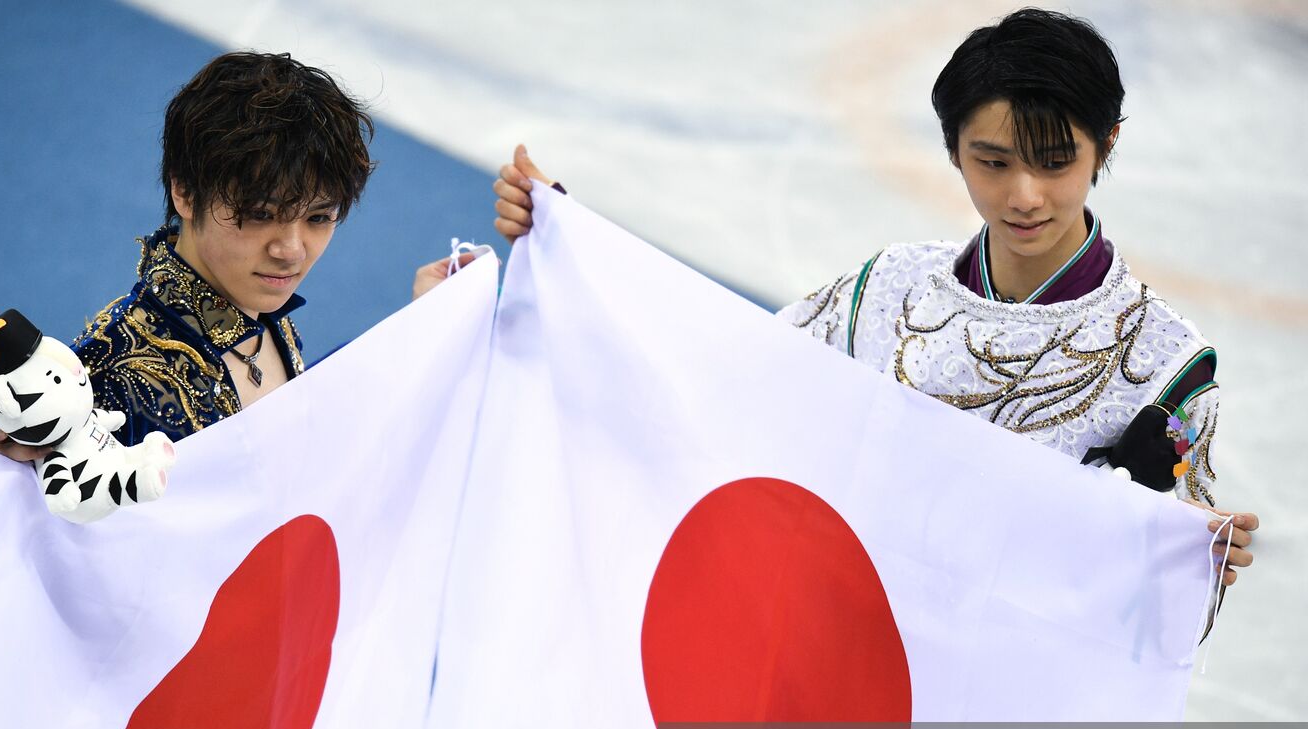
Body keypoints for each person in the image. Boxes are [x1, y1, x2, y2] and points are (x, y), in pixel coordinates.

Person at [491, 8, 1257, 590]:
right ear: (952, 149)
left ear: (1108, 144)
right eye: (992, 162)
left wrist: (1193, 561)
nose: (1024, 196)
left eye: (1057, 162)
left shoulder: (1160, 364)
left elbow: (1163, 583)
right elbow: (721, 375)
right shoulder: (883, 291)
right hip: (842, 660)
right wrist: (569, 250)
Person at [0, 50, 472, 601]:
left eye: (319, 217)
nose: (290, 249)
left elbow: (295, 415)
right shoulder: (116, 371)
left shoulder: (258, 311)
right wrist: (22, 490)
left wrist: (418, 328)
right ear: (185, 191)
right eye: (259, 213)